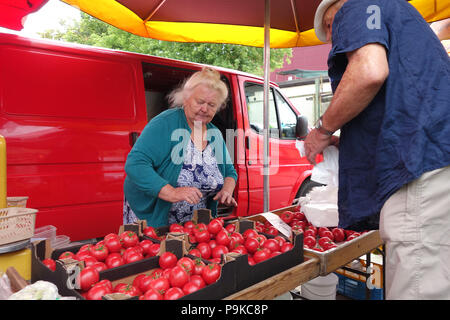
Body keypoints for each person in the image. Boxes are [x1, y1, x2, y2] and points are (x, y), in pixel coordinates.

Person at [306, 0, 450, 299]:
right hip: (434, 158)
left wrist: (322, 130)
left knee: (417, 284)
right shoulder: (402, 15)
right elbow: (401, 101)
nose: (338, 42)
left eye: (333, 34)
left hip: (418, 164)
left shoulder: (356, 7)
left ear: (334, 18)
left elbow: (369, 71)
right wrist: (347, 140)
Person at [123, 67, 238, 227]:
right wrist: (172, 192)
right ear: (186, 99)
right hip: (155, 222)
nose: (205, 109)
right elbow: (135, 165)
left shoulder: (215, 133)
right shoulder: (165, 123)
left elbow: (230, 172)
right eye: (200, 102)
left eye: (212, 105)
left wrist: (226, 189)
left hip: (194, 225)